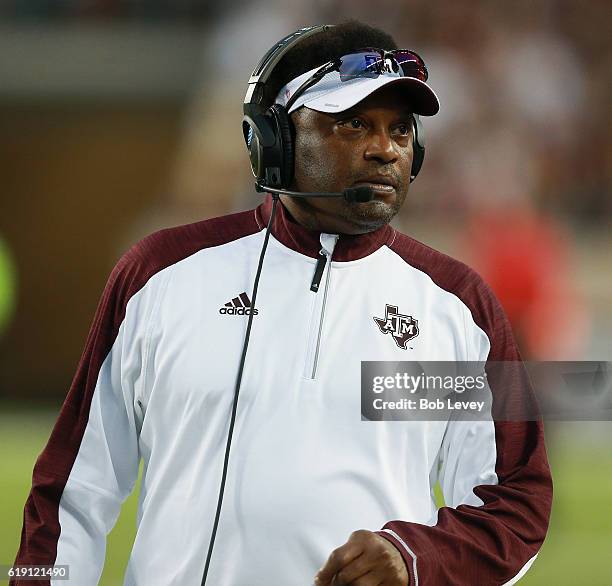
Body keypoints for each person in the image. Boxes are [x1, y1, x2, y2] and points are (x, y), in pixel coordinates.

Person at [12, 21, 552, 586]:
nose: (385, 149)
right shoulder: (158, 274)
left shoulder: (459, 306)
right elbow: (70, 491)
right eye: (354, 124)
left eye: (400, 130)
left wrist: (418, 560)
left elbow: (516, 499)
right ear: (272, 140)